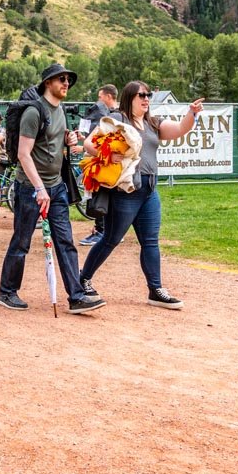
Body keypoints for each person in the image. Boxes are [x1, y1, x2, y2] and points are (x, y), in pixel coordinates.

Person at [79, 82, 204, 310]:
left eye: (148, 95)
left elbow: (179, 130)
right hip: (126, 192)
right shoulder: (118, 120)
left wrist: (191, 114)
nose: (146, 99)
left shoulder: (151, 122)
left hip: (149, 191)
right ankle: (82, 280)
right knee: (110, 239)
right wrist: (107, 154)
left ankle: (155, 290)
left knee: (150, 241)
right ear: (130, 97)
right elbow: (88, 143)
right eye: (142, 95)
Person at [0, 64, 105, 314]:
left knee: (65, 241)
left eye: (68, 79)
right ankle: (7, 291)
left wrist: (68, 139)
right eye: (61, 79)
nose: (66, 83)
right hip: (30, 188)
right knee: (22, 241)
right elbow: (24, 154)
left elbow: (54, 139)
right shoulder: (34, 113)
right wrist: (38, 188)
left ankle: (76, 296)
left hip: (56, 187)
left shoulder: (60, 111)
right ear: (48, 83)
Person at [78, 84, 119, 246]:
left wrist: (83, 146)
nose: (98, 100)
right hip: (108, 161)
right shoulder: (117, 115)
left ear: (108, 96)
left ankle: (102, 232)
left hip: (105, 163)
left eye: (100, 96)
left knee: (101, 194)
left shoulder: (109, 116)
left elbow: (102, 143)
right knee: (110, 197)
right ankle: (109, 231)